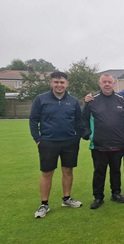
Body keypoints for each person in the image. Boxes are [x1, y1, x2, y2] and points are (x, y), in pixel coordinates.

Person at [30, 71, 83, 218]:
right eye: (56, 82)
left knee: (68, 171)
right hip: (48, 142)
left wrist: (76, 137)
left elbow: (79, 121)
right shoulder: (41, 99)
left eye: (62, 82)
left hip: (69, 142)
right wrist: (38, 139)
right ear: (51, 83)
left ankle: (66, 199)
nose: (59, 85)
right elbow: (33, 120)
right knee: (47, 172)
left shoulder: (73, 101)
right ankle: (44, 204)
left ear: (67, 84)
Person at [82, 73, 124, 209]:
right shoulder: (92, 100)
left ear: (114, 83)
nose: (107, 84)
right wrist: (89, 135)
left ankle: (116, 193)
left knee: (116, 170)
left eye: (109, 82)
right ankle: (98, 197)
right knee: (99, 171)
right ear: (99, 84)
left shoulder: (121, 99)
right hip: (99, 144)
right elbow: (84, 119)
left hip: (118, 143)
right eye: (104, 82)